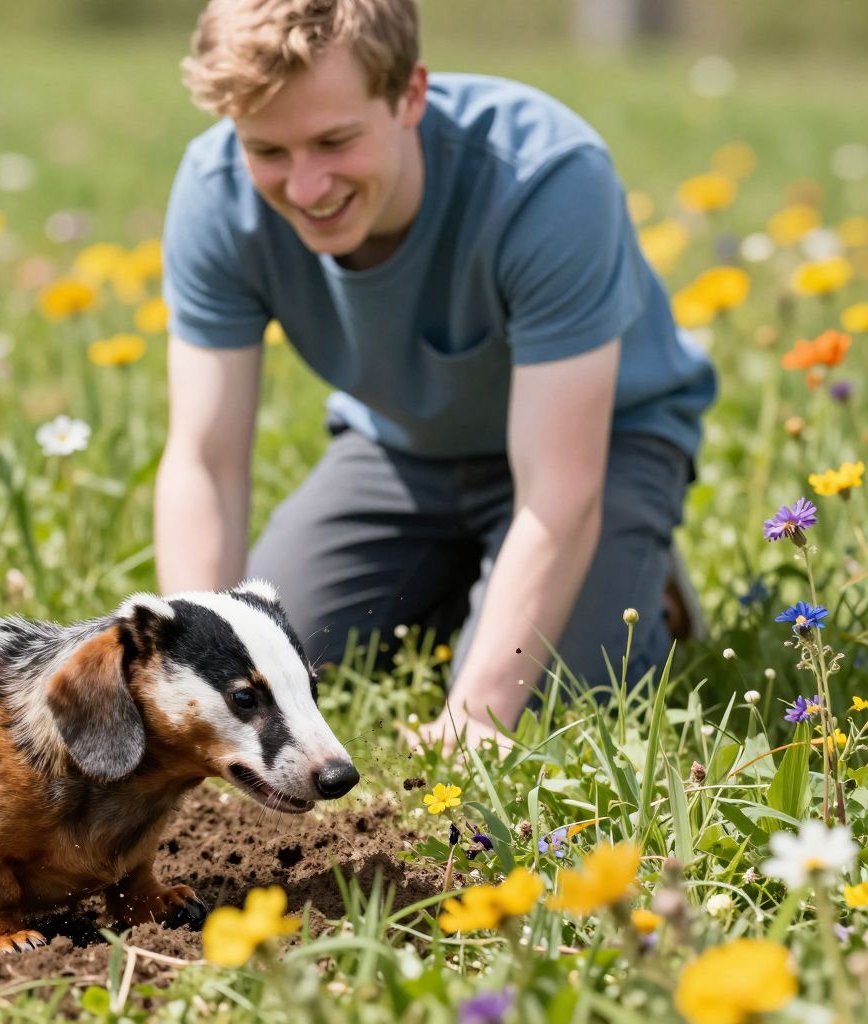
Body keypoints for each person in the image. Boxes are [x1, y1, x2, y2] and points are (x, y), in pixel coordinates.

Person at [154, 0, 715, 750]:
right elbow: (206, 460)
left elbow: (560, 486)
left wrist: (476, 716)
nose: (307, 187)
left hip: (599, 449)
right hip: (401, 451)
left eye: (335, 141)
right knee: (282, 657)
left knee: (553, 702)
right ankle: (476, 585)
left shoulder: (547, 179)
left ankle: (637, 573)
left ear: (410, 95)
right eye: (269, 151)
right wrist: (192, 690)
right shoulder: (215, 193)